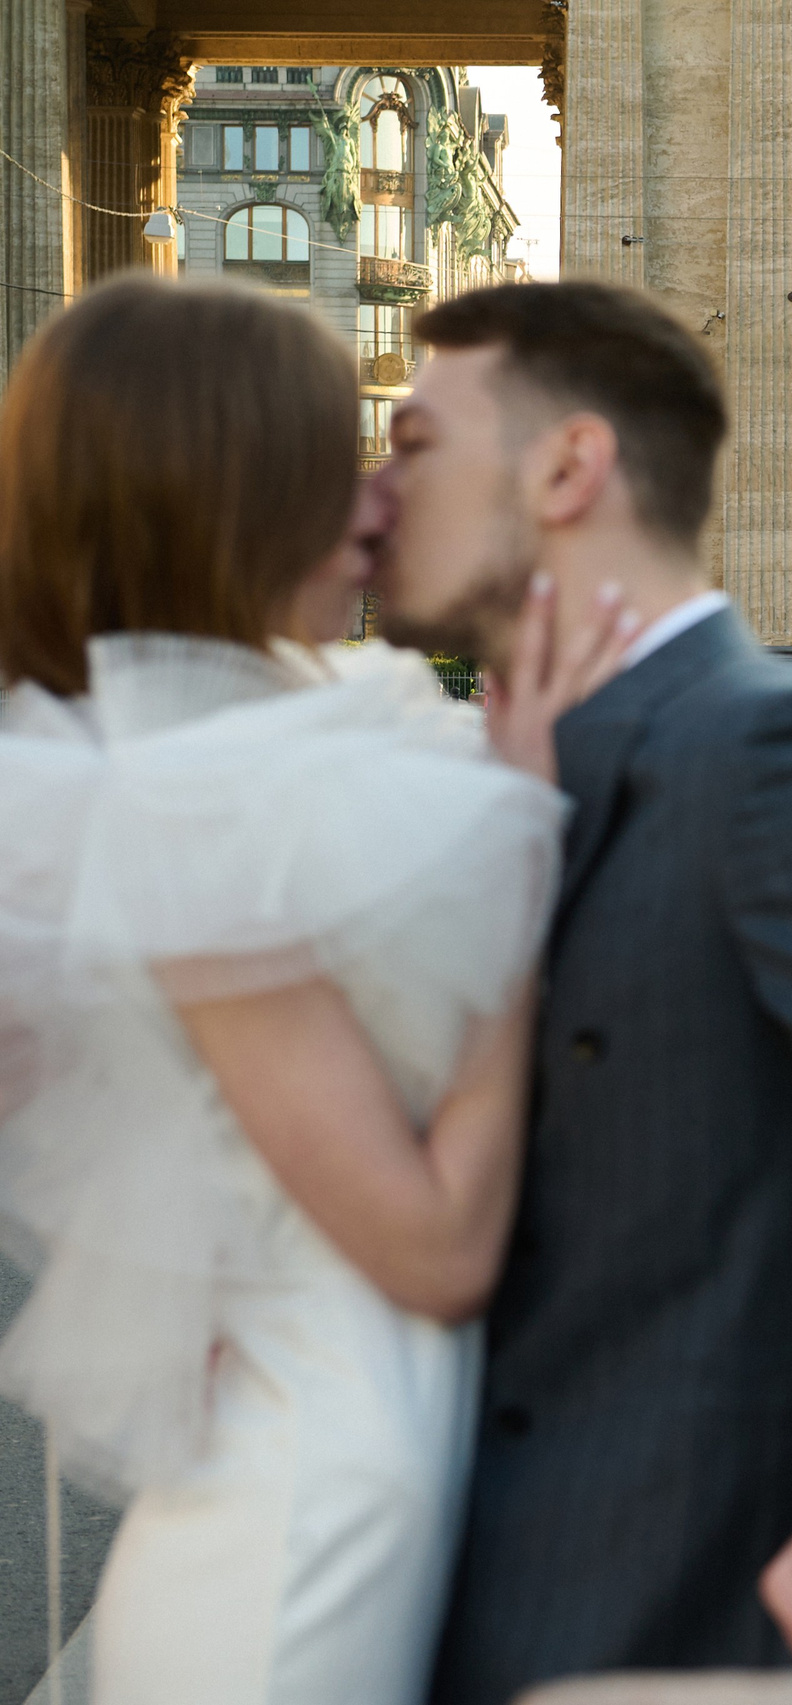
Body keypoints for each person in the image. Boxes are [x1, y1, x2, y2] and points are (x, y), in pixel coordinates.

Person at [360, 284, 792, 1702]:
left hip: (649, 1616)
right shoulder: (495, 765)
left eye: (416, 444)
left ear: (568, 468)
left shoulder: (787, 747)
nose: (375, 497)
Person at [0, 277, 613, 1702]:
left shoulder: (202, 766)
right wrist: (527, 876)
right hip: (311, 1500)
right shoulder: (201, 807)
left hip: (319, 1462)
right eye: (326, 459)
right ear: (230, 499)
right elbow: (435, 1247)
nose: (373, 504)